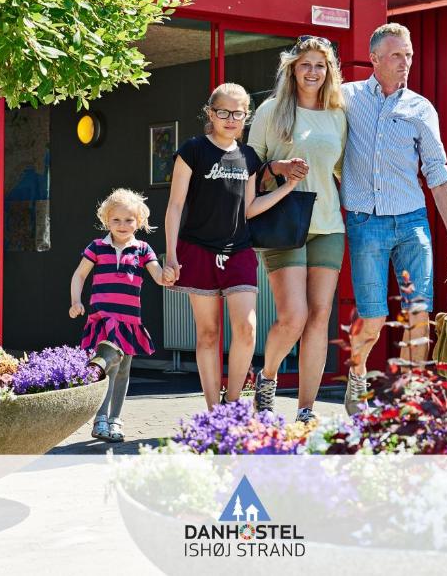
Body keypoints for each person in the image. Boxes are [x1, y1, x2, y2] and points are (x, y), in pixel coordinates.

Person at [340, 23, 447, 414]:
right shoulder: (347, 98)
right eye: (397, 55)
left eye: (409, 55)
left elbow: (438, 172)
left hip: (412, 222)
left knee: (419, 313)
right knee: (374, 315)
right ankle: (358, 373)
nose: (405, 63)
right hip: (366, 223)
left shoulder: (420, 109)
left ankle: (409, 396)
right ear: (375, 59)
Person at [163, 83, 301, 409]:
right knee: (208, 334)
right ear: (210, 113)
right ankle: (214, 411)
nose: (230, 119)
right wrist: (171, 254)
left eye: (237, 113)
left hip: (238, 251)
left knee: (247, 328)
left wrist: (288, 188)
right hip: (197, 251)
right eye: (223, 112)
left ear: (246, 117)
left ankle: (235, 403)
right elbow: (175, 206)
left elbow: (249, 208)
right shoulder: (193, 150)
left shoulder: (248, 157)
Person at [246, 35, 347, 424]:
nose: (313, 72)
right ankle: (267, 379)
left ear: (329, 71)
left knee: (319, 317)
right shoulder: (272, 110)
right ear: (292, 68)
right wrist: (279, 168)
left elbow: (341, 170)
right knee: (294, 317)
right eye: (305, 64)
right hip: (284, 222)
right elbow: (251, 168)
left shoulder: (337, 114)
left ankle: (306, 409)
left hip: (327, 224)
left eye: (320, 65)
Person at [69, 188, 169, 443]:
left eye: (129, 220)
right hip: (104, 319)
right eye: (116, 220)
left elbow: (158, 276)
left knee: (123, 370)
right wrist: (76, 301)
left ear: (139, 221)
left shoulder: (143, 249)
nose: (123, 225)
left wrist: (167, 275)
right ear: (106, 221)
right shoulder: (97, 247)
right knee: (108, 368)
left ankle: (115, 418)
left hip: (129, 321)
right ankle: (100, 418)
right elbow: (80, 275)